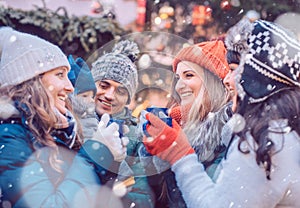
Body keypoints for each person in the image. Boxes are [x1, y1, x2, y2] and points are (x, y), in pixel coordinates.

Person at [142, 19, 300, 207]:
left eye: (235, 70)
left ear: (257, 77)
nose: (227, 78)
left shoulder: (266, 138)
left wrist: (180, 155)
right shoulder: (281, 130)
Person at [0, 27, 127, 207]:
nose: (70, 87)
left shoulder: (58, 131)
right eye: (60, 75)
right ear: (32, 82)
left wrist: (110, 159)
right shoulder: (10, 135)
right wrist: (96, 153)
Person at [152, 40, 232, 207]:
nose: (180, 86)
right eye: (177, 78)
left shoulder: (227, 132)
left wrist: (176, 153)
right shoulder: (177, 123)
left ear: (213, 82)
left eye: (189, 75)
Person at [91, 40, 155, 207]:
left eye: (120, 91)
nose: (110, 95)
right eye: (104, 85)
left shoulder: (135, 136)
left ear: (128, 99)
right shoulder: (68, 123)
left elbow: (143, 197)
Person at [67, 54, 98, 141]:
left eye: (92, 96)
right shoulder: (66, 120)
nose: (91, 100)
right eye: (84, 96)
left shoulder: (92, 118)